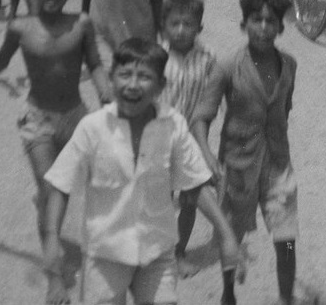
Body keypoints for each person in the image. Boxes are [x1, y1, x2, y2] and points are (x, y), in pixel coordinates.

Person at [41, 38, 242, 305]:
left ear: (160, 86)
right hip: (105, 256)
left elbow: (194, 185)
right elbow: (59, 185)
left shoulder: (174, 125)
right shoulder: (93, 128)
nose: (133, 84)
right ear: (112, 79)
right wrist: (53, 239)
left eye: (144, 76)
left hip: (157, 253)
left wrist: (226, 234)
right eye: (124, 75)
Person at [0, 0, 110, 295]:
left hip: (76, 117)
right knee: (51, 192)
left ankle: (49, 213)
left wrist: (104, 90)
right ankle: (55, 276)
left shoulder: (81, 23)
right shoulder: (19, 28)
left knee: (84, 187)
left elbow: (95, 63)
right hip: (38, 120)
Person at [191, 0, 300, 305]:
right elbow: (201, 117)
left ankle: (286, 297)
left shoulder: (289, 66)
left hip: (278, 164)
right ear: (244, 25)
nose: (264, 27)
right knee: (231, 233)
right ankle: (228, 294)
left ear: (280, 27)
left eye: (271, 21)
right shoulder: (227, 67)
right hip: (237, 166)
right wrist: (209, 155)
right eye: (256, 20)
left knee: (286, 237)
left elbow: (285, 108)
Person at [155, 0, 218, 277]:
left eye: (188, 24)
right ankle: (158, 252)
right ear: (164, 27)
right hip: (159, 138)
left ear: (199, 28)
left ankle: (179, 252)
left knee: (190, 198)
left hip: (190, 141)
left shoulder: (207, 58)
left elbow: (211, 100)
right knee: (160, 198)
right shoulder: (156, 55)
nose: (181, 30)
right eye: (175, 24)